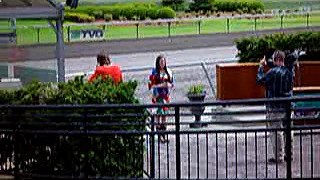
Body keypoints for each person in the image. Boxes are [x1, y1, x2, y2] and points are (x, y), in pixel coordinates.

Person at [256, 50, 294, 164]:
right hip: (288, 105)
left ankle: (279, 157)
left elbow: (260, 79)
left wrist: (261, 67)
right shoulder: (290, 71)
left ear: (276, 60)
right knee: (288, 131)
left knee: (276, 131)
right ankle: (289, 154)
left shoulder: (272, 72)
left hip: (275, 107)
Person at [148, 54, 174, 143]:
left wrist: (168, 86)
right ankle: (160, 136)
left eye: (164, 62)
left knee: (164, 116)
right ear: (158, 63)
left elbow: (171, 84)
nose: (162, 63)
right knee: (158, 116)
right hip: (157, 96)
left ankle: (164, 135)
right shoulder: (154, 72)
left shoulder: (168, 72)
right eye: (161, 62)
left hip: (165, 97)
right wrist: (161, 85)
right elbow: (151, 85)